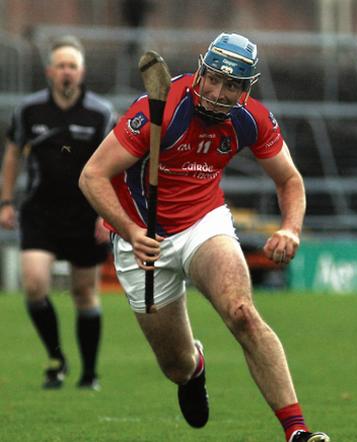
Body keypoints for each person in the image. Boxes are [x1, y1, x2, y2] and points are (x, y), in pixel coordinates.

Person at [78, 33, 329, 442]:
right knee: (174, 365)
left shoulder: (251, 119)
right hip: (144, 239)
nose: (218, 92)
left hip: (204, 224)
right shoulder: (160, 110)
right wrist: (132, 231)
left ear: (246, 89)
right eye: (213, 78)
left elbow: (290, 180)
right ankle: (194, 369)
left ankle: (297, 431)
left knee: (243, 313)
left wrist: (290, 227)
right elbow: (92, 176)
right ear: (200, 70)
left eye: (232, 85)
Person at [0, 35, 114, 391]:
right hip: (40, 212)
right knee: (34, 284)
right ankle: (56, 358)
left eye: (73, 66)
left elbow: (114, 164)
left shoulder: (101, 112)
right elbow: (13, 155)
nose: (67, 72)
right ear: (50, 71)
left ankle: (90, 374)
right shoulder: (29, 111)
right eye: (61, 65)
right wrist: (5, 202)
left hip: (86, 214)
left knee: (84, 293)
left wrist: (107, 212)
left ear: (82, 72)